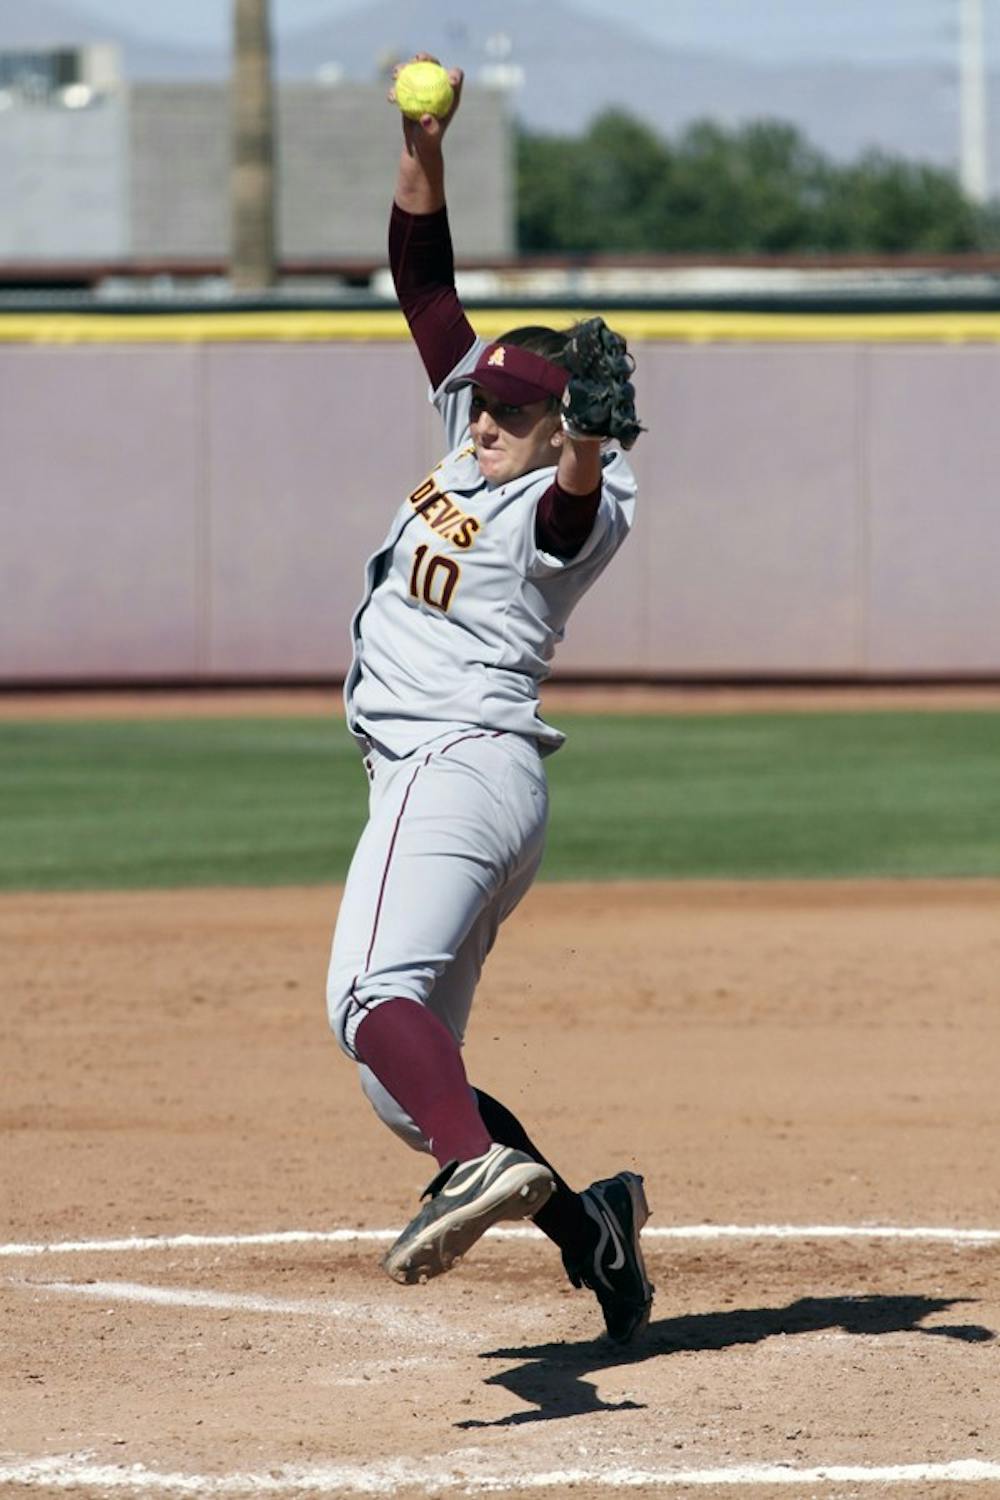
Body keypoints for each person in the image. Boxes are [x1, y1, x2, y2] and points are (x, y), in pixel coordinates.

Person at [325, 56, 652, 1344]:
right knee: (410, 1084)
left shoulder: (572, 496)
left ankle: (472, 1171)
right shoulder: (477, 425)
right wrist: (424, 141)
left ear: (567, 422)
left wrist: (581, 442)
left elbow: (572, 508)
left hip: (452, 763)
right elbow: (423, 280)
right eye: (495, 403)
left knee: (365, 997)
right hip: (471, 782)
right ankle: (595, 1230)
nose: (487, 423)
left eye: (519, 413)